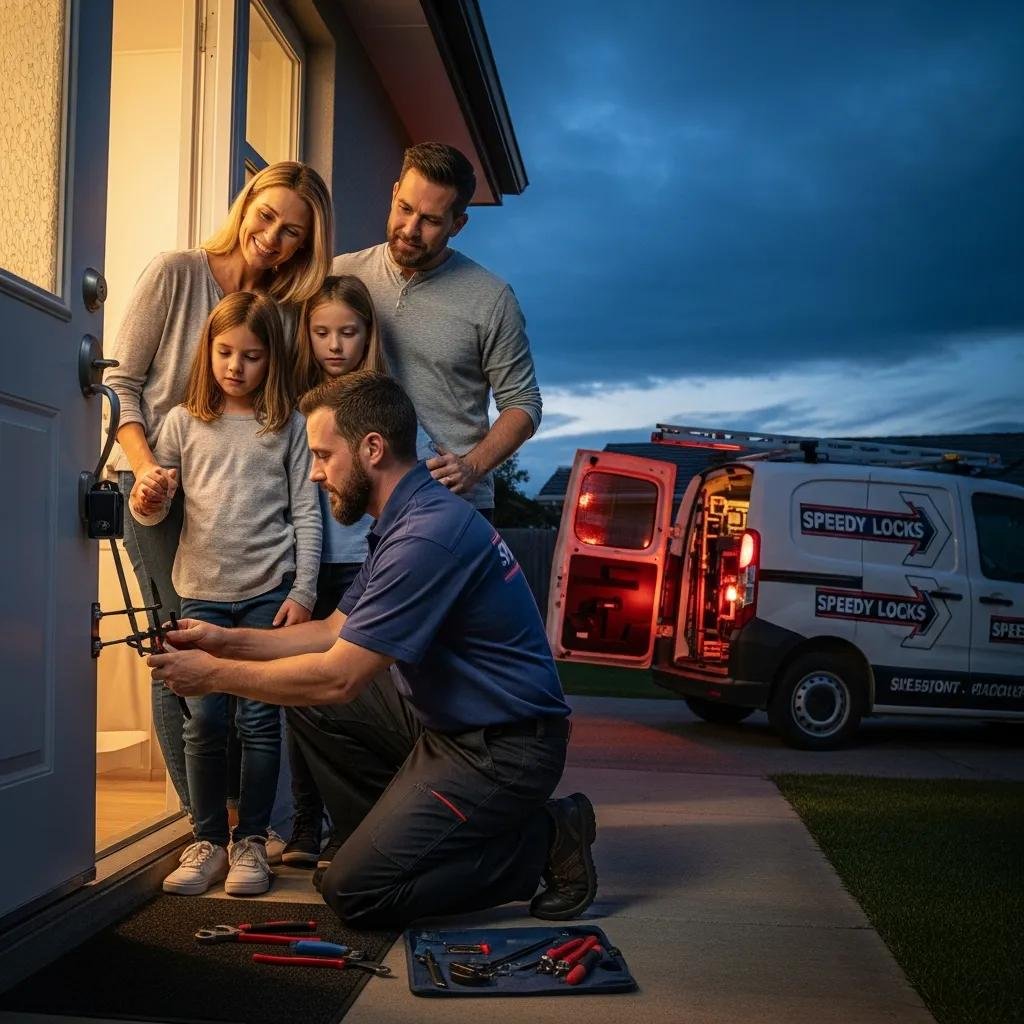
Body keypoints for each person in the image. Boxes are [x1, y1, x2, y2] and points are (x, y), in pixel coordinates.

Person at [148, 371, 597, 928]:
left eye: (322, 455)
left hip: (505, 751)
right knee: (306, 703)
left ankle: (548, 839)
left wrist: (213, 675)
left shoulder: (425, 537)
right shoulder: (406, 518)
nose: (315, 473)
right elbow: (332, 630)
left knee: (356, 894)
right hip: (450, 727)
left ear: (372, 448)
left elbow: (339, 678)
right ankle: (390, 843)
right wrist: (224, 640)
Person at [104, 161, 333, 829]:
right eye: (266, 216)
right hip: (158, 477)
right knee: (176, 644)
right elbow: (121, 382)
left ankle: (240, 820)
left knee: (235, 662)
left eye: (293, 232)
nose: (272, 237)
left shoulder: (284, 315)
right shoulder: (177, 272)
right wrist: (150, 470)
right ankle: (197, 819)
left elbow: (288, 422)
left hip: (237, 501)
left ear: (305, 243)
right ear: (247, 205)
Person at [131, 292, 322, 896]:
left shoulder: (287, 425)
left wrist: (306, 590)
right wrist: (147, 496)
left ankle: (252, 844)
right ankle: (208, 839)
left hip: (268, 594)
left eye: (252, 356)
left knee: (262, 719)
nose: (236, 366)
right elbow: (158, 509)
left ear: (273, 360)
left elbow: (307, 514)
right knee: (205, 721)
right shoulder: (184, 423)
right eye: (224, 352)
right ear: (207, 352)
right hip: (201, 596)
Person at [331, 142, 541, 519]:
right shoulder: (342, 275)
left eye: (429, 220)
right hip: (357, 503)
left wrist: (473, 466)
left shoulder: (491, 298)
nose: (410, 229)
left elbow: (524, 404)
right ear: (394, 192)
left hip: (451, 505)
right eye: (405, 208)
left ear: (457, 224)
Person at [280, 276, 386, 866]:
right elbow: (302, 503)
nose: (335, 345)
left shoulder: (382, 406)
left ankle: (352, 828)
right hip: (311, 571)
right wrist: (301, 580)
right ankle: (303, 826)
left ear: (368, 334)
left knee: (350, 700)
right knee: (303, 700)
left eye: (348, 332)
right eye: (322, 332)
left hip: (364, 567)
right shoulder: (302, 411)